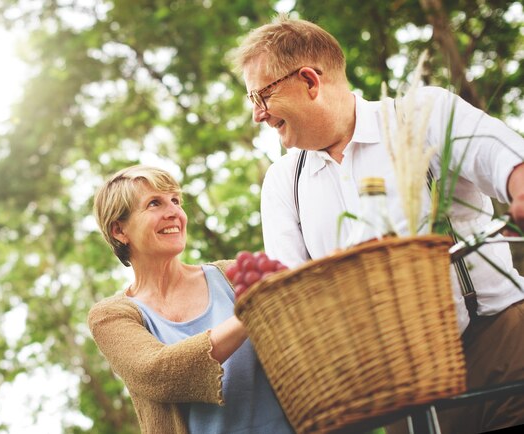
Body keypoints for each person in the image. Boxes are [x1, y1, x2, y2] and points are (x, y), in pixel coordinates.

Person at [232, 14, 524, 434]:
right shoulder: (283, 183)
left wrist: (518, 183)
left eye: (262, 96)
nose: (257, 115)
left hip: (497, 343)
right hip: (396, 390)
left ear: (311, 81)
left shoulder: (421, 114)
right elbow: (291, 290)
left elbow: (500, 156)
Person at [87, 165, 293, 434]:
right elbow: (158, 374)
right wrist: (251, 313)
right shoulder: (111, 316)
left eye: (175, 200)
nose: (173, 212)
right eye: (154, 204)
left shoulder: (232, 275)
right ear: (119, 231)